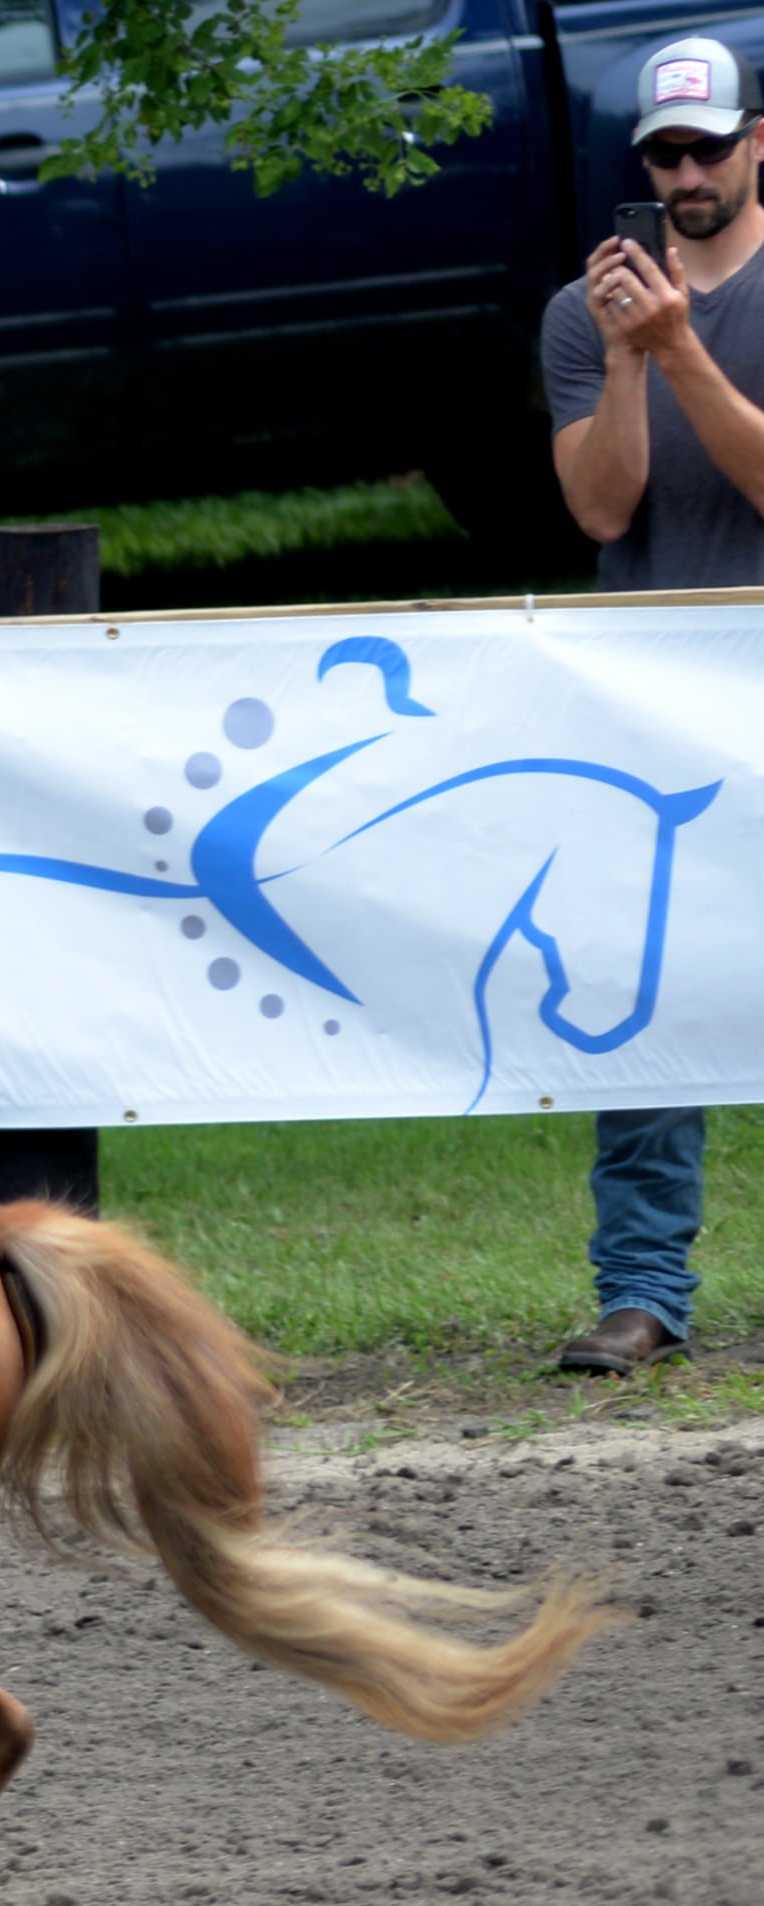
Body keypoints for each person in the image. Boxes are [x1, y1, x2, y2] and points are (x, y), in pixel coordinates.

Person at [544, 35, 764, 1376]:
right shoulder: (584, 317)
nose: (680, 175)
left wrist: (676, 347)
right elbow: (596, 506)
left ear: (758, 143)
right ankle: (638, 1293)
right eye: (658, 156)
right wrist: (627, 358)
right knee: (641, 998)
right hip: (649, 702)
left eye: (702, 148)